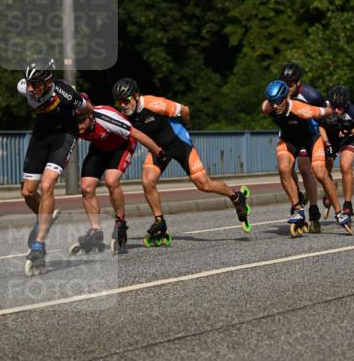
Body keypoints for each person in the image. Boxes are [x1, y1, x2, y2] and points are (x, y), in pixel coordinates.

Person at [112, 78, 251, 245]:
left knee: (204, 185)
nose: (123, 105)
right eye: (119, 101)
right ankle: (159, 221)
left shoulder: (154, 103)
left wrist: (186, 126)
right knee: (147, 182)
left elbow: (185, 110)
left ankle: (236, 197)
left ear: (136, 96)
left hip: (179, 143)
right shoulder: (126, 115)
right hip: (160, 149)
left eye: (126, 100)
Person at [18, 57, 93, 275]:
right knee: (27, 192)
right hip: (41, 135)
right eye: (29, 84)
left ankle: (39, 245)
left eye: (37, 84)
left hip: (64, 136)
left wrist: (81, 121)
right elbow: (27, 88)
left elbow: (88, 109)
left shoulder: (65, 93)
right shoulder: (23, 88)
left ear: (49, 81)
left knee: (48, 184)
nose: (31, 89)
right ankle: (44, 218)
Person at [73, 97, 168, 254]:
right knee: (86, 187)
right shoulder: (73, 124)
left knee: (111, 181)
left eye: (82, 121)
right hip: (99, 148)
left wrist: (158, 151)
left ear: (90, 115)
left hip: (122, 145)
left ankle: (120, 222)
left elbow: (136, 133)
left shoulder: (106, 118)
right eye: (76, 121)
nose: (79, 126)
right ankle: (96, 230)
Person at [262, 79, 352, 235]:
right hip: (289, 139)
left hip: (310, 138)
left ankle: (339, 212)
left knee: (320, 173)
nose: (275, 106)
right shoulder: (267, 107)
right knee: (283, 168)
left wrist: (336, 110)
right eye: (272, 101)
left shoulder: (300, 108)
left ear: (286, 98)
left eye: (278, 101)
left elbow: (324, 111)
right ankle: (298, 209)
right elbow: (269, 106)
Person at [278, 61, 326, 231]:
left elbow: (324, 115)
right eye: (284, 84)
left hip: (308, 132)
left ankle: (313, 210)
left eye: (290, 84)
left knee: (305, 169)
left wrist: (325, 141)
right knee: (285, 167)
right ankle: (297, 196)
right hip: (289, 133)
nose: (287, 87)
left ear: (299, 82)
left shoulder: (311, 95)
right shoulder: (280, 92)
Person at [323, 85, 354, 219]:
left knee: (345, 167)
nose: (336, 110)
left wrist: (352, 131)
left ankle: (347, 203)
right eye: (334, 106)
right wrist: (326, 143)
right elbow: (320, 126)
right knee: (325, 168)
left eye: (340, 107)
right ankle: (329, 191)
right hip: (331, 139)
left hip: (348, 139)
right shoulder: (325, 108)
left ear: (346, 104)